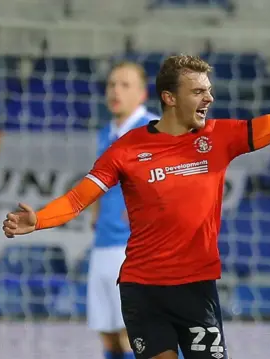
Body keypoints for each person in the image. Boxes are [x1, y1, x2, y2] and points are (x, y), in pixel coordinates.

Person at [2, 54, 270, 359]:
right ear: (170, 98)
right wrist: (38, 220)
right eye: (198, 92)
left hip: (196, 288)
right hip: (143, 289)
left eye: (209, 90)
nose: (209, 98)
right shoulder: (126, 149)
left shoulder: (219, 137)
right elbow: (76, 199)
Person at [87, 61, 158, 359]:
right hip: (103, 244)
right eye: (112, 84)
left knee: (134, 334)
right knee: (108, 336)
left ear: (142, 94)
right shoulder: (107, 134)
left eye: (125, 85)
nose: (116, 90)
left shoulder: (154, 129)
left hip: (136, 248)